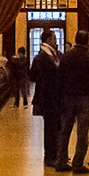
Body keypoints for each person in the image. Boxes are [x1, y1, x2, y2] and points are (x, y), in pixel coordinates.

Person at [56, 29, 89, 173]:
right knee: (82, 132)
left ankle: (61, 161)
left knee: (65, 130)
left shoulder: (67, 56)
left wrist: (61, 95)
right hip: (84, 98)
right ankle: (78, 163)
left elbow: (60, 77)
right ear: (87, 40)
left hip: (68, 97)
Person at [30, 36, 63, 167]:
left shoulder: (55, 55)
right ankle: (50, 156)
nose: (55, 41)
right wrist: (44, 80)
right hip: (48, 96)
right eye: (53, 38)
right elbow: (32, 75)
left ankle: (57, 154)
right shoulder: (41, 57)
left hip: (56, 96)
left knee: (57, 126)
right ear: (48, 40)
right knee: (50, 127)